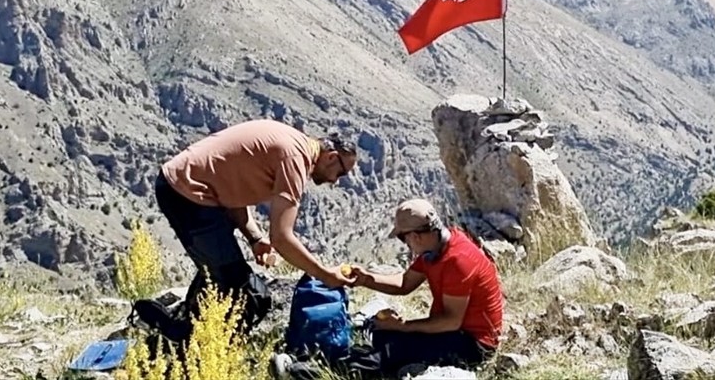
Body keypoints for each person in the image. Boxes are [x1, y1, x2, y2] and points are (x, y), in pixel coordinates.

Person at [145, 118, 357, 339]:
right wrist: (324, 275)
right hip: (187, 195)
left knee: (223, 271)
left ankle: (187, 328)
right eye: (340, 174)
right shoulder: (295, 158)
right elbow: (282, 237)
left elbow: (233, 186)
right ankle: (193, 346)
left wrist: (255, 238)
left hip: (186, 188)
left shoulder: (292, 140)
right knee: (242, 293)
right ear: (332, 157)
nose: (336, 182)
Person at [272, 198, 503, 379]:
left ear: (415, 236)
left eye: (404, 239)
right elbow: (405, 284)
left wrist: (404, 326)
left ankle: (301, 373)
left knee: (391, 351)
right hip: (453, 331)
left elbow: (451, 321)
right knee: (383, 332)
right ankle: (354, 357)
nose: (407, 245)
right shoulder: (436, 248)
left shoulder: (458, 261)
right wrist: (366, 279)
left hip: (473, 343)